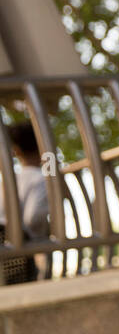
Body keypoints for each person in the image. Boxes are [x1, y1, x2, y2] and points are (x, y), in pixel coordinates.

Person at [0, 121, 51, 283]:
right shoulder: (42, 179)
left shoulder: (9, 179)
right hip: (20, 246)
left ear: (16, 151)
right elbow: (33, 217)